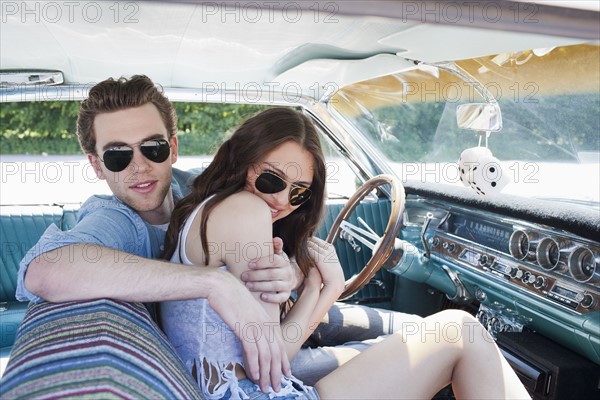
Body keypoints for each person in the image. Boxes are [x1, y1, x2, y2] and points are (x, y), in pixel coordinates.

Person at [160, 107, 531, 399]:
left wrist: (306, 282)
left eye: (298, 192)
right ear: (242, 160)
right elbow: (270, 363)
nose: (280, 200)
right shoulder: (245, 210)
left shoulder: (204, 211)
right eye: (271, 179)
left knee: (441, 333)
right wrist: (325, 290)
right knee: (461, 329)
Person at [1, 75, 295, 397]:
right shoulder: (117, 220)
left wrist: (288, 270)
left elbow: (277, 219)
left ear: (174, 149)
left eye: (153, 148)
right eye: (117, 156)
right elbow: (44, 271)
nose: (139, 166)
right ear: (97, 166)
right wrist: (214, 283)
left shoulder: (201, 189)